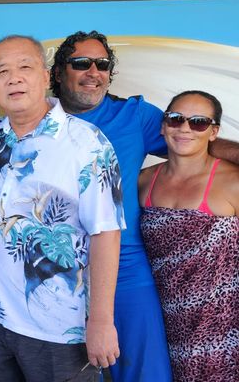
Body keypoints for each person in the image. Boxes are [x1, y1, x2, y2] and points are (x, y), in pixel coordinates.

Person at [50, 30, 239, 381]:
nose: (94, 71)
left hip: (127, 270)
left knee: (145, 373)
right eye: (81, 63)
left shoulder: (134, 116)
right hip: (53, 273)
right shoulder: (38, 121)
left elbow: (191, 140)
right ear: (60, 72)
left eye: (102, 64)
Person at [0, 35, 124, 381]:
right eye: (3, 72)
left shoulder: (86, 144)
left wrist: (102, 321)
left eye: (25, 68)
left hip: (59, 328)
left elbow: (106, 233)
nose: (14, 78)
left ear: (46, 77)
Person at [139, 90, 239, 381]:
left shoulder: (233, 182)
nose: (184, 128)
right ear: (162, 126)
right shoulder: (144, 181)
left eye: (198, 122)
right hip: (164, 327)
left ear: (213, 132)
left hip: (225, 332)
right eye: (175, 119)